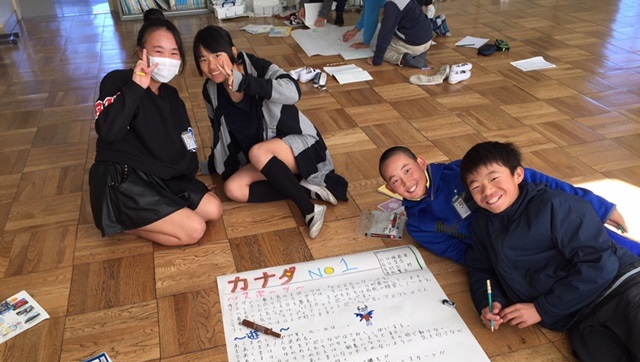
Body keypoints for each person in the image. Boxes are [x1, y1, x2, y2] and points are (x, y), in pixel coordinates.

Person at [460, 141, 640, 362]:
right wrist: (490, 301)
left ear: (518, 175)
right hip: (579, 318)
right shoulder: (484, 226)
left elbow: (599, 264)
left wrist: (541, 309)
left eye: (494, 179)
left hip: (621, 289)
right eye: (476, 186)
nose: (487, 191)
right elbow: (480, 269)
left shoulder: (554, 205)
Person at [192, 25, 348, 239]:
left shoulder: (258, 68)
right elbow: (216, 128)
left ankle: (309, 209)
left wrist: (245, 83)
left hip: (299, 148)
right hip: (263, 159)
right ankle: (306, 188)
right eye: (203, 59)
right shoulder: (210, 89)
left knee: (258, 152)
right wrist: (211, 164)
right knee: (233, 189)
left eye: (217, 55)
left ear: (233, 52)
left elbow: (293, 91)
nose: (211, 66)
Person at [89, 8, 223, 246]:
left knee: (213, 209)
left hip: (158, 174)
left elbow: (184, 143)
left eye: (174, 53)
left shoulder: (171, 96)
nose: (167, 59)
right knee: (194, 229)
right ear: (142, 53)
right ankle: (120, 218)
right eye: (158, 52)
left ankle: (157, 214)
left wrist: (191, 182)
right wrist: (135, 87)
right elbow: (108, 131)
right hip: (123, 177)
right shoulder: (118, 80)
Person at [378, 146, 640, 264]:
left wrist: (599, 207)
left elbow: (533, 178)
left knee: (605, 243)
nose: (407, 182)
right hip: (513, 251)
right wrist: (495, 263)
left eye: (408, 170)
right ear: (390, 188)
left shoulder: (459, 170)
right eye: (396, 180)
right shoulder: (419, 224)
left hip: (539, 220)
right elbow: (458, 252)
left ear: (421, 163)